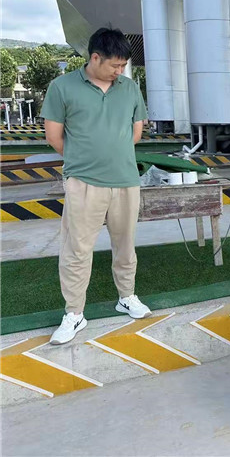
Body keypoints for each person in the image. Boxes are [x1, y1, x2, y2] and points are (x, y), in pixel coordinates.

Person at [43, 28, 152, 345]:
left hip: (126, 181)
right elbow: (54, 136)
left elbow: (135, 133)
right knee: (76, 250)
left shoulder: (129, 88)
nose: (120, 71)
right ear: (94, 58)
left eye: (123, 66)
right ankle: (74, 314)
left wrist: (113, 155)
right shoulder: (62, 87)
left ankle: (126, 297)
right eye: (115, 65)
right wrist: (83, 161)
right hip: (83, 183)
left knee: (125, 245)